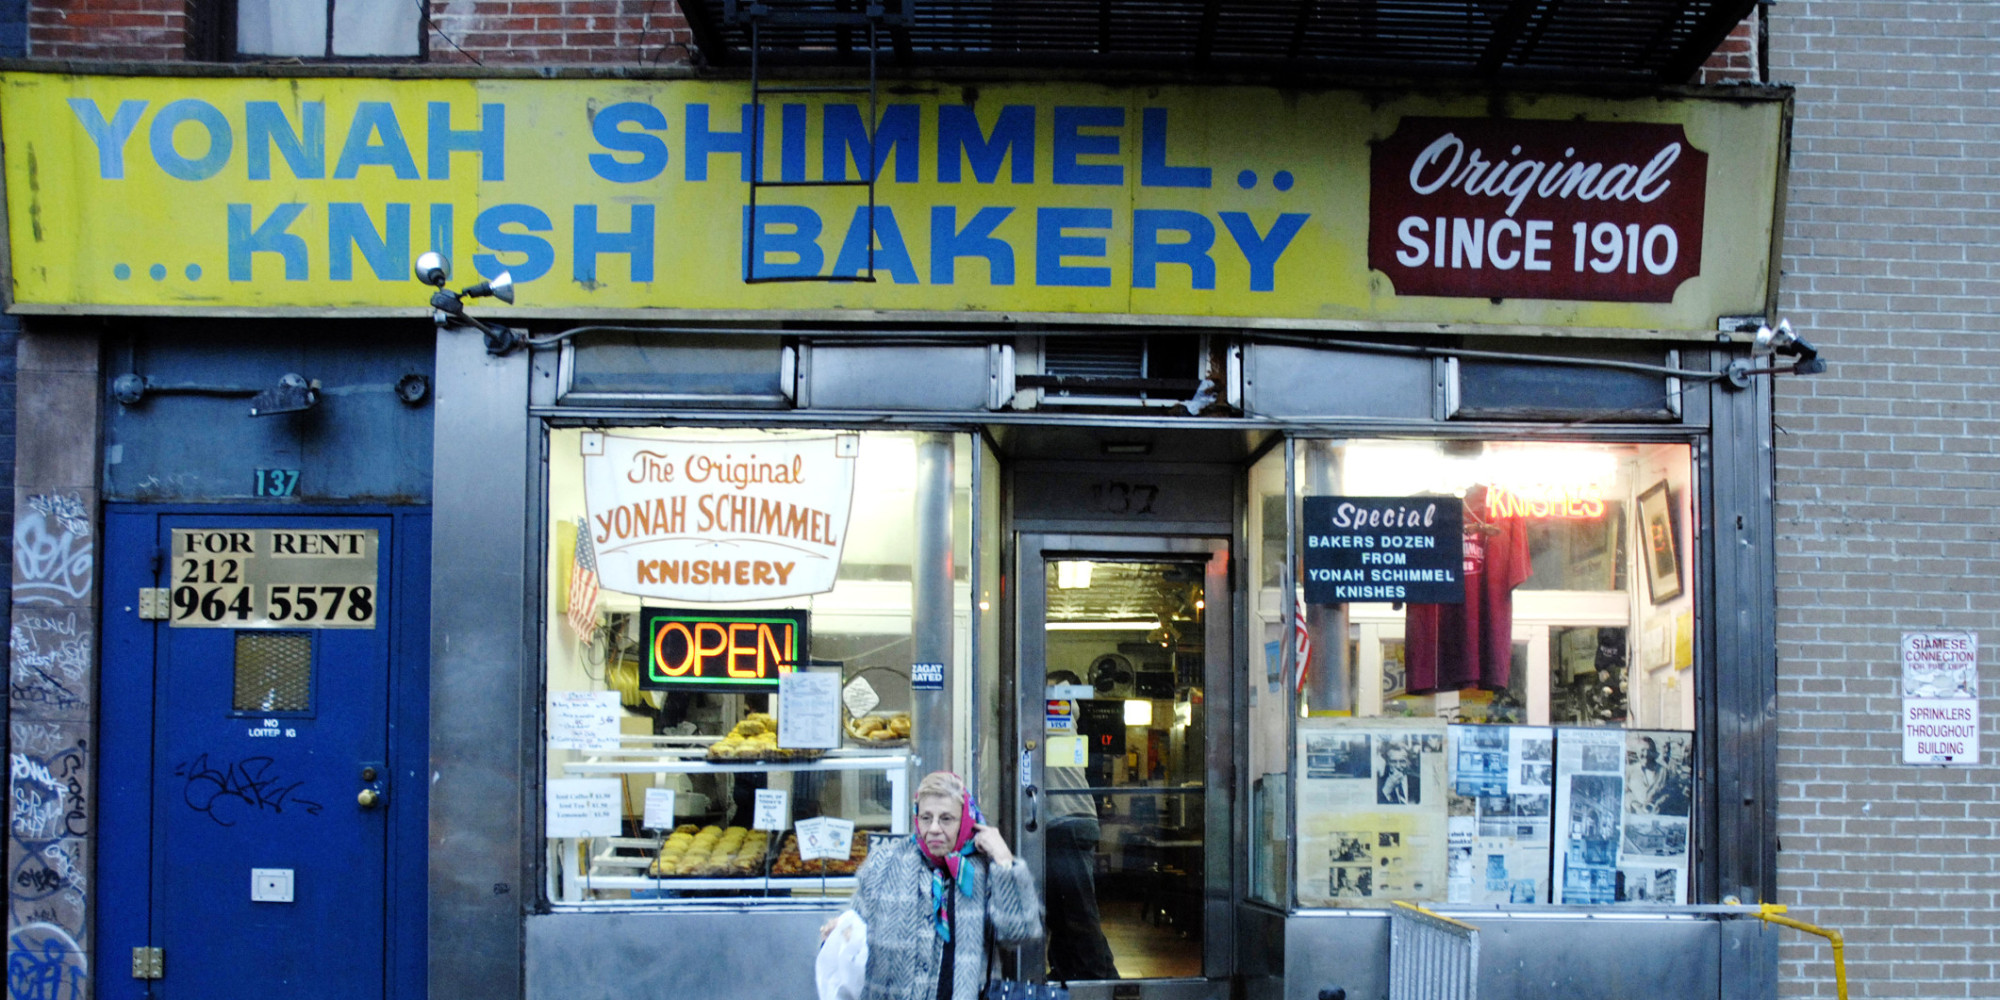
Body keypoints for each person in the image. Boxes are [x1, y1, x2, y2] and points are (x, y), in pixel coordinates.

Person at [822, 771, 1042, 1000]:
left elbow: (1021, 933)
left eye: (946, 819)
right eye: (926, 818)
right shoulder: (885, 864)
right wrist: (843, 929)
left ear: (966, 821)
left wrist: (1005, 861)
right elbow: (858, 929)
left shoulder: (982, 869)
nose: (934, 828)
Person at [1041, 679, 1120, 980]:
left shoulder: (1053, 711)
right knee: (1063, 915)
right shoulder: (1057, 717)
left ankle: (1103, 983)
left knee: (1077, 915)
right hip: (1066, 823)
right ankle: (1067, 975)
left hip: (1067, 823)